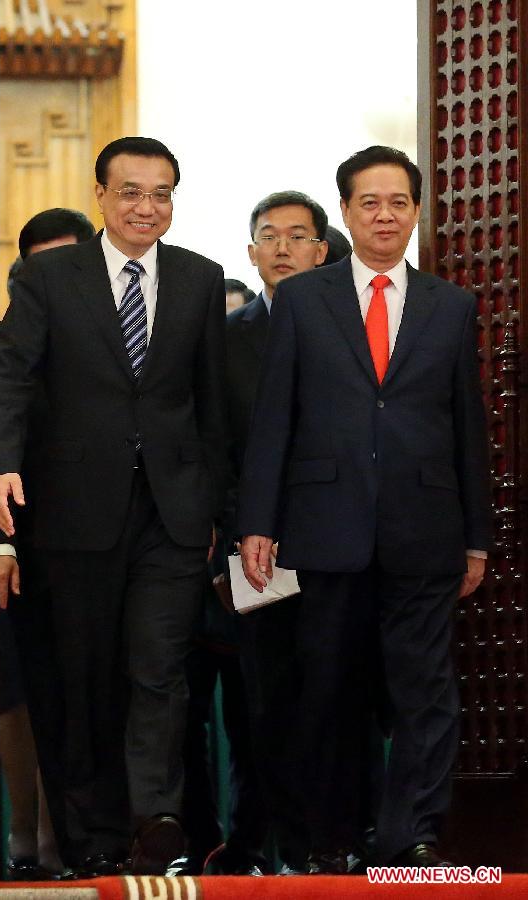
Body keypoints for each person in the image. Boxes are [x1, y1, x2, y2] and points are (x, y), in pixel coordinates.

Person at [238, 146, 491, 873]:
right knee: (329, 692)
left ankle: (411, 833)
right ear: (346, 212)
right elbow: (274, 419)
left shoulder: (451, 305)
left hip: (426, 528)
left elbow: (466, 426)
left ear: (416, 212)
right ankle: (333, 839)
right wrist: (259, 522)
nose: (385, 215)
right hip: (324, 528)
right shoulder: (306, 299)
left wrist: (475, 536)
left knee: (424, 693)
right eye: (369, 203)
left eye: (399, 202)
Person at [0, 137, 228, 877]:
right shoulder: (51, 277)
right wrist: (1, 470)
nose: (147, 206)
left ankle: (155, 818)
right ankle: (90, 837)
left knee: (158, 669)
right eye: (131, 191)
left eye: (161, 193)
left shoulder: (199, 277)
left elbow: (210, 406)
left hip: (172, 514)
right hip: (73, 512)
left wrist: (218, 505)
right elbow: (10, 381)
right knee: (83, 677)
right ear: (100, 195)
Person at [0, 208, 96, 880]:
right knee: (22, 692)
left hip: (106, 545)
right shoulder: (5, 343)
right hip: (24, 544)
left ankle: (75, 835)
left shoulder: (129, 338)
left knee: (92, 693)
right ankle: (29, 835)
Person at [224, 191, 329, 875]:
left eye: (299, 236)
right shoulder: (225, 338)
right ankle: (262, 840)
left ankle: (326, 839)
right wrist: (233, 532)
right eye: (271, 236)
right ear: (252, 252)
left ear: (322, 250)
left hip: (337, 541)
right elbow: (214, 442)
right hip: (250, 548)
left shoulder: (350, 326)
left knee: (333, 693)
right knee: (259, 698)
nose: (284, 248)